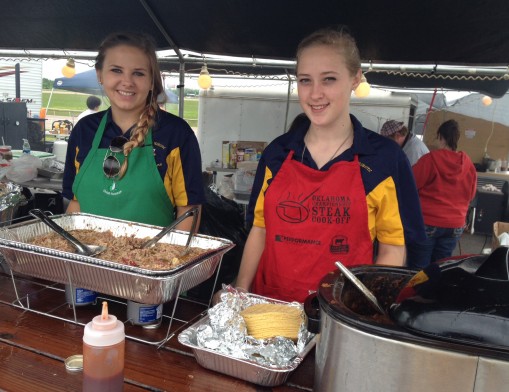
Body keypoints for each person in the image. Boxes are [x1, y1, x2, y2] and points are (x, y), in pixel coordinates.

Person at [231, 28, 425, 303]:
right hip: (270, 308)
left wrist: (372, 313)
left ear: (355, 79)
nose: (315, 94)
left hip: (343, 314)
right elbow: (260, 229)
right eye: (305, 80)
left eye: (329, 79)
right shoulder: (277, 152)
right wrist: (240, 288)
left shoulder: (384, 159)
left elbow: (393, 247)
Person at [62, 32, 204, 230]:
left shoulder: (176, 134)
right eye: (116, 70)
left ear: (152, 80)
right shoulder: (84, 130)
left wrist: (168, 259)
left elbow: (189, 211)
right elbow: (76, 203)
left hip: (151, 259)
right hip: (87, 256)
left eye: (138, 73)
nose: (127, 81)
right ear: (99, 75)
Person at [408, 119, 477, 267]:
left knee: (419, 268)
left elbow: (411, 184)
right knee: (442, 266)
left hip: (428, 221)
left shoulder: (431, 159)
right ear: (456, 138)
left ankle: (420, 291)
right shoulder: (468, 164)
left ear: (440, 137)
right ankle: (436, 290)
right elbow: (471, 195)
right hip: (455, 224)